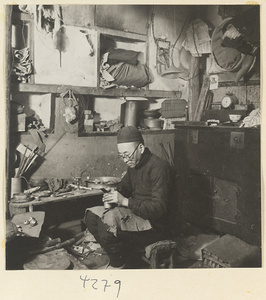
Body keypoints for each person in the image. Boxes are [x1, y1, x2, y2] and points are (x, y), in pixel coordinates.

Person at [84, 126, 175, 269]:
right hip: (138, 214)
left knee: (107, 226)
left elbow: (159, 209)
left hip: (156, 225)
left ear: (140, 148)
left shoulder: (159, 168)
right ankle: (119, 254)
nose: (125, 160)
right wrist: (113, 191)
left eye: (128, 155)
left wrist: (124, 201)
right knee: (91, 216)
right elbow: (125, 187)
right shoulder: (134, 164)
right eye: (122, 156)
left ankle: (119, 267)